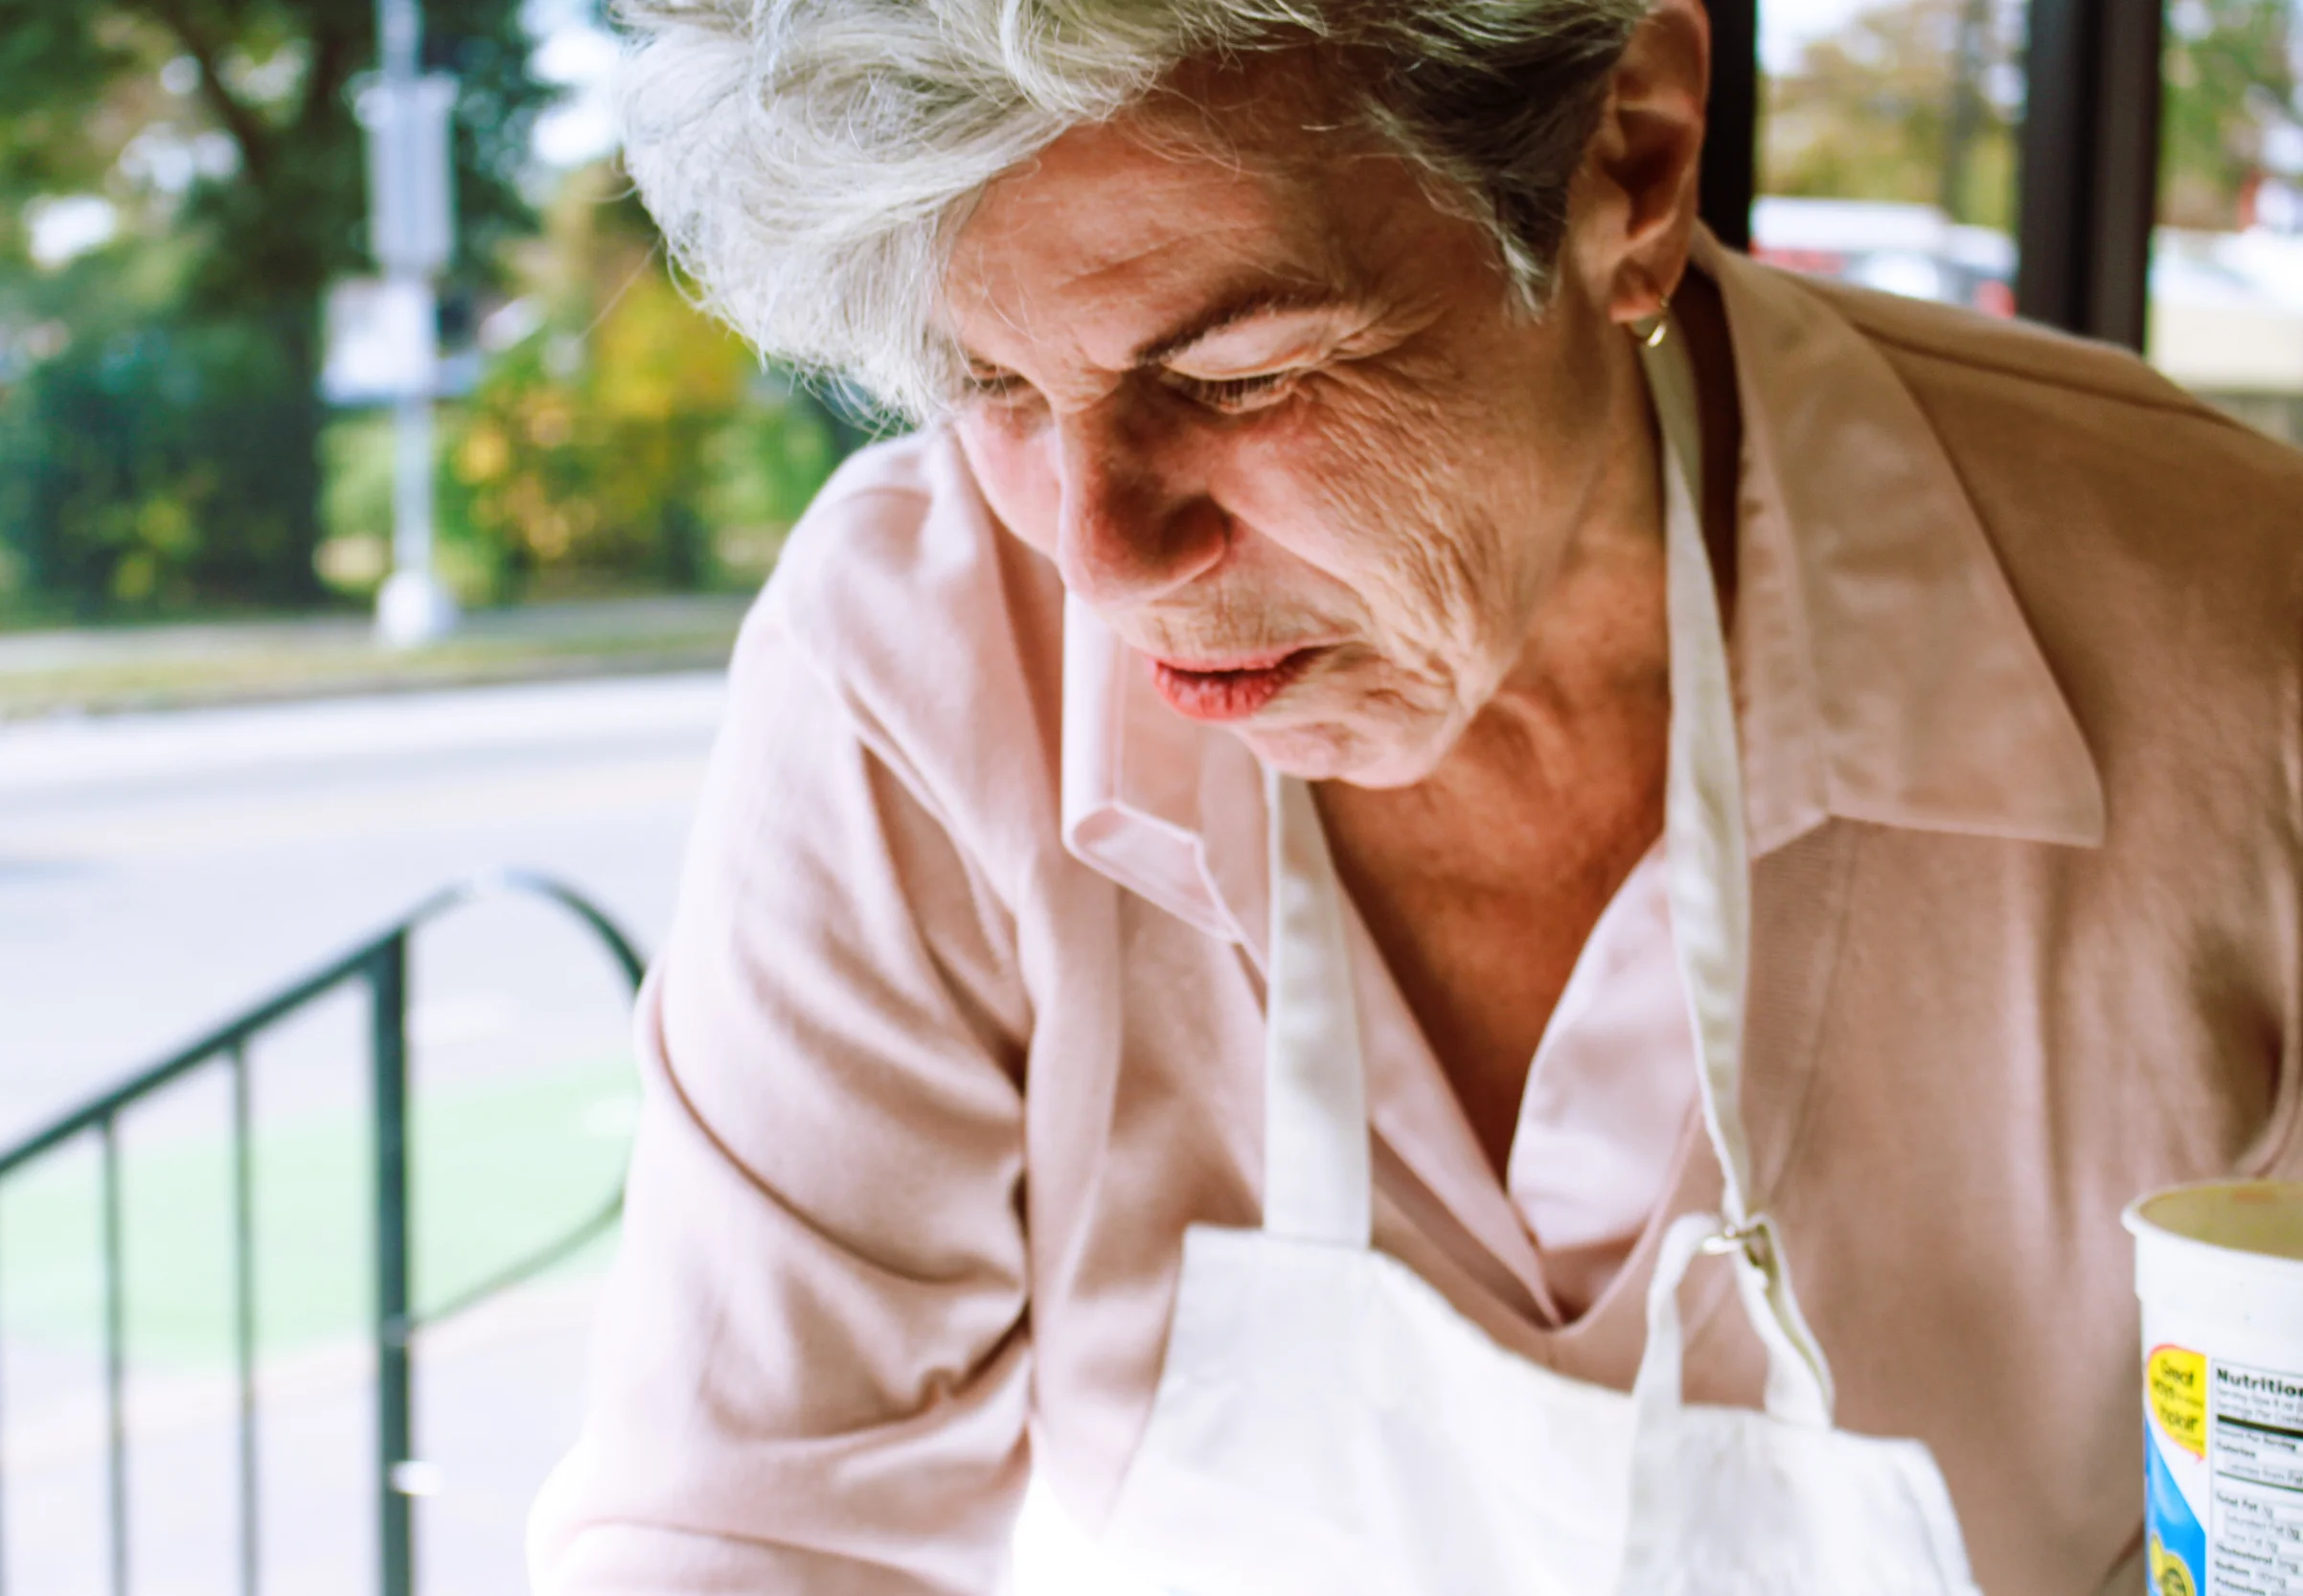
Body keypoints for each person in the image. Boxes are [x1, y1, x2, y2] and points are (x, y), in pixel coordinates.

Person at [530, 2, 2303, 1592]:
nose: (1102, 559)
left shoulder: (2236, 646)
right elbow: (751, 1523)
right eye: (990, 382)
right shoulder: (916, 655)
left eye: (1241, 373)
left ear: (1633, 162)